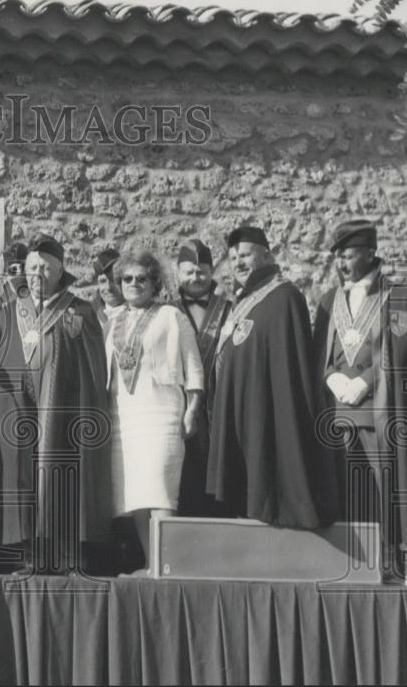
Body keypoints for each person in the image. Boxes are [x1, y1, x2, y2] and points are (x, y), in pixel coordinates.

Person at [312, 219, 407, 587]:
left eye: (349, 256)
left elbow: (402, 358)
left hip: (382, 413)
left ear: (370, 253)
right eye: (337, 257)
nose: (341, 264)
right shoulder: (327, 301)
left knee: (393, 487)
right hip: (338, 416)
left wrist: (366, 383)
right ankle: (359, 565)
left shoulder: (401, 297)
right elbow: (321, 355)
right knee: (349, 493)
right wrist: (331, 377)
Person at [0, 233, 112, 574]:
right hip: (18, 408)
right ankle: (30, 555)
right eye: (31, 267)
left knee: (63, 477)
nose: (36, 274)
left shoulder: (78, 311)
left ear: (59, 272)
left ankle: (69, 556)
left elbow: (92, 371)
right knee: (22, 479)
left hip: (63, 410)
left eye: (44, 268)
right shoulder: (10, 312)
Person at [206, 226, 338, 528]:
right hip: (241, 406)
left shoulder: (284, 296)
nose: (238, 262)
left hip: (266, 406)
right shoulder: (245, 300)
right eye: (234, 257)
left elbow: (288, 367)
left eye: (246, 255)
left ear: (266, 255)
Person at [106, 252, 204, 575]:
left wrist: (192, 409)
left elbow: (193, 364)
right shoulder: (115, 319)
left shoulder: (170, 316)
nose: (134, 284)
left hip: (161, 411)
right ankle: (151, 564)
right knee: (135, 492)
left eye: (141, 278)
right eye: (127, 279)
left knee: (161, 488)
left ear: (154, 283)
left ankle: (168, 564)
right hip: (125, 415)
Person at [172, 239, 233, 517]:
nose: (196, 278)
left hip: (221, 405)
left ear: (212, 273)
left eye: (202, 272)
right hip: (177, 404)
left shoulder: (232, 308)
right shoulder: (166, 311)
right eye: (189, 272)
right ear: (178, 274)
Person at [90, 248, 123, 326]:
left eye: (113, 280)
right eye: (103, 281)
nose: (108, 287)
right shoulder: (89, 314)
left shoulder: (139, 312)